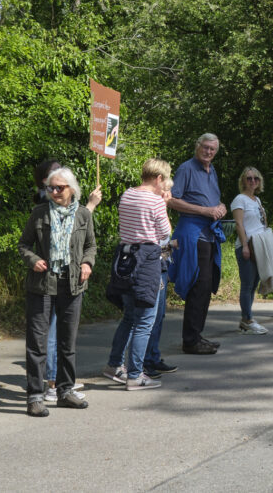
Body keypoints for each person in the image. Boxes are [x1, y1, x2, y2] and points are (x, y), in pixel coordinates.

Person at [19, 167, 96, 416]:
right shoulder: (40, 213)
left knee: (67, 342)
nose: (54, 192)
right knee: (37, 343)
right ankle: (35, 396)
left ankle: (65, 391)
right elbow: (23, 244)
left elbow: (91, 246)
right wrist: (33, 260)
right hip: (42, 284)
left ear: (71, 189)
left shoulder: (83, 215)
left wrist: (87, 263)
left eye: (59, 188)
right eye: (50, 188)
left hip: (72, 284)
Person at [102, 158, 172, 390]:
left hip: (125, 258)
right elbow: (165, 234)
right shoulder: (156, 201)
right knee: (145, 320)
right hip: (147, 260)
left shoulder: (127, 194)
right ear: (159, 178)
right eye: (165, 180)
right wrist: (164, 205)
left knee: (130, 316)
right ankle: (135, 375)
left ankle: (114, 364)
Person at [169, 134, 227, 355]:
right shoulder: (187, 169)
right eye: (205, 147)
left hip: (209, 234)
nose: (208, 152)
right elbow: (172, 199)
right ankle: (190, 340)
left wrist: (220, 206)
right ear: (197, 147)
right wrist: (205, 211)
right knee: (197, 285)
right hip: (193, 234)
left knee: (206, 287)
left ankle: (196, 335)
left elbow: (213, 201)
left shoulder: (212, 172)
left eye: (212, 149)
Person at [231, 166, 270, 333]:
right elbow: (239, 224)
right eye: (249, 178)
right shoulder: (240, 199)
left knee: (254, 283)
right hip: (247, 246)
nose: (253, 181)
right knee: (247, 284)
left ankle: (246, 317)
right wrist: (245, 245)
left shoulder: (257, 200)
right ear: (243, 181)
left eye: (256, 178)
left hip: (259, 245)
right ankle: (247, 319)